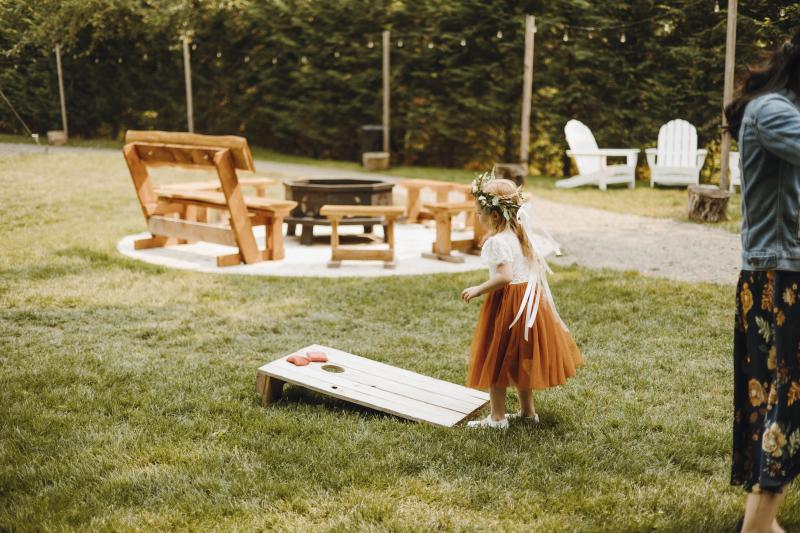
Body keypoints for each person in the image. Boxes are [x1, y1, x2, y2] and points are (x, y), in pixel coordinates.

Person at [725, 30, 800, 533]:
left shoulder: (780, 109)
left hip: (779, 272)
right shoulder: (773, 111)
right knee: (786, 397)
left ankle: (762, 522)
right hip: (781, 277)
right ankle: (758, 524)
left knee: (776, 393)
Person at [461, 173, 584, 429]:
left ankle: (497, 418)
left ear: (495, 216)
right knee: (521, 358)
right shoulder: (520, 235)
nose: (477, 216)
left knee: (496, 358)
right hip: (529, 302)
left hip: (508, 304)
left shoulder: (496, 242)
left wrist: (478, 289)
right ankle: (528, 412)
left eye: (479, 212)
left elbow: (504, 277)